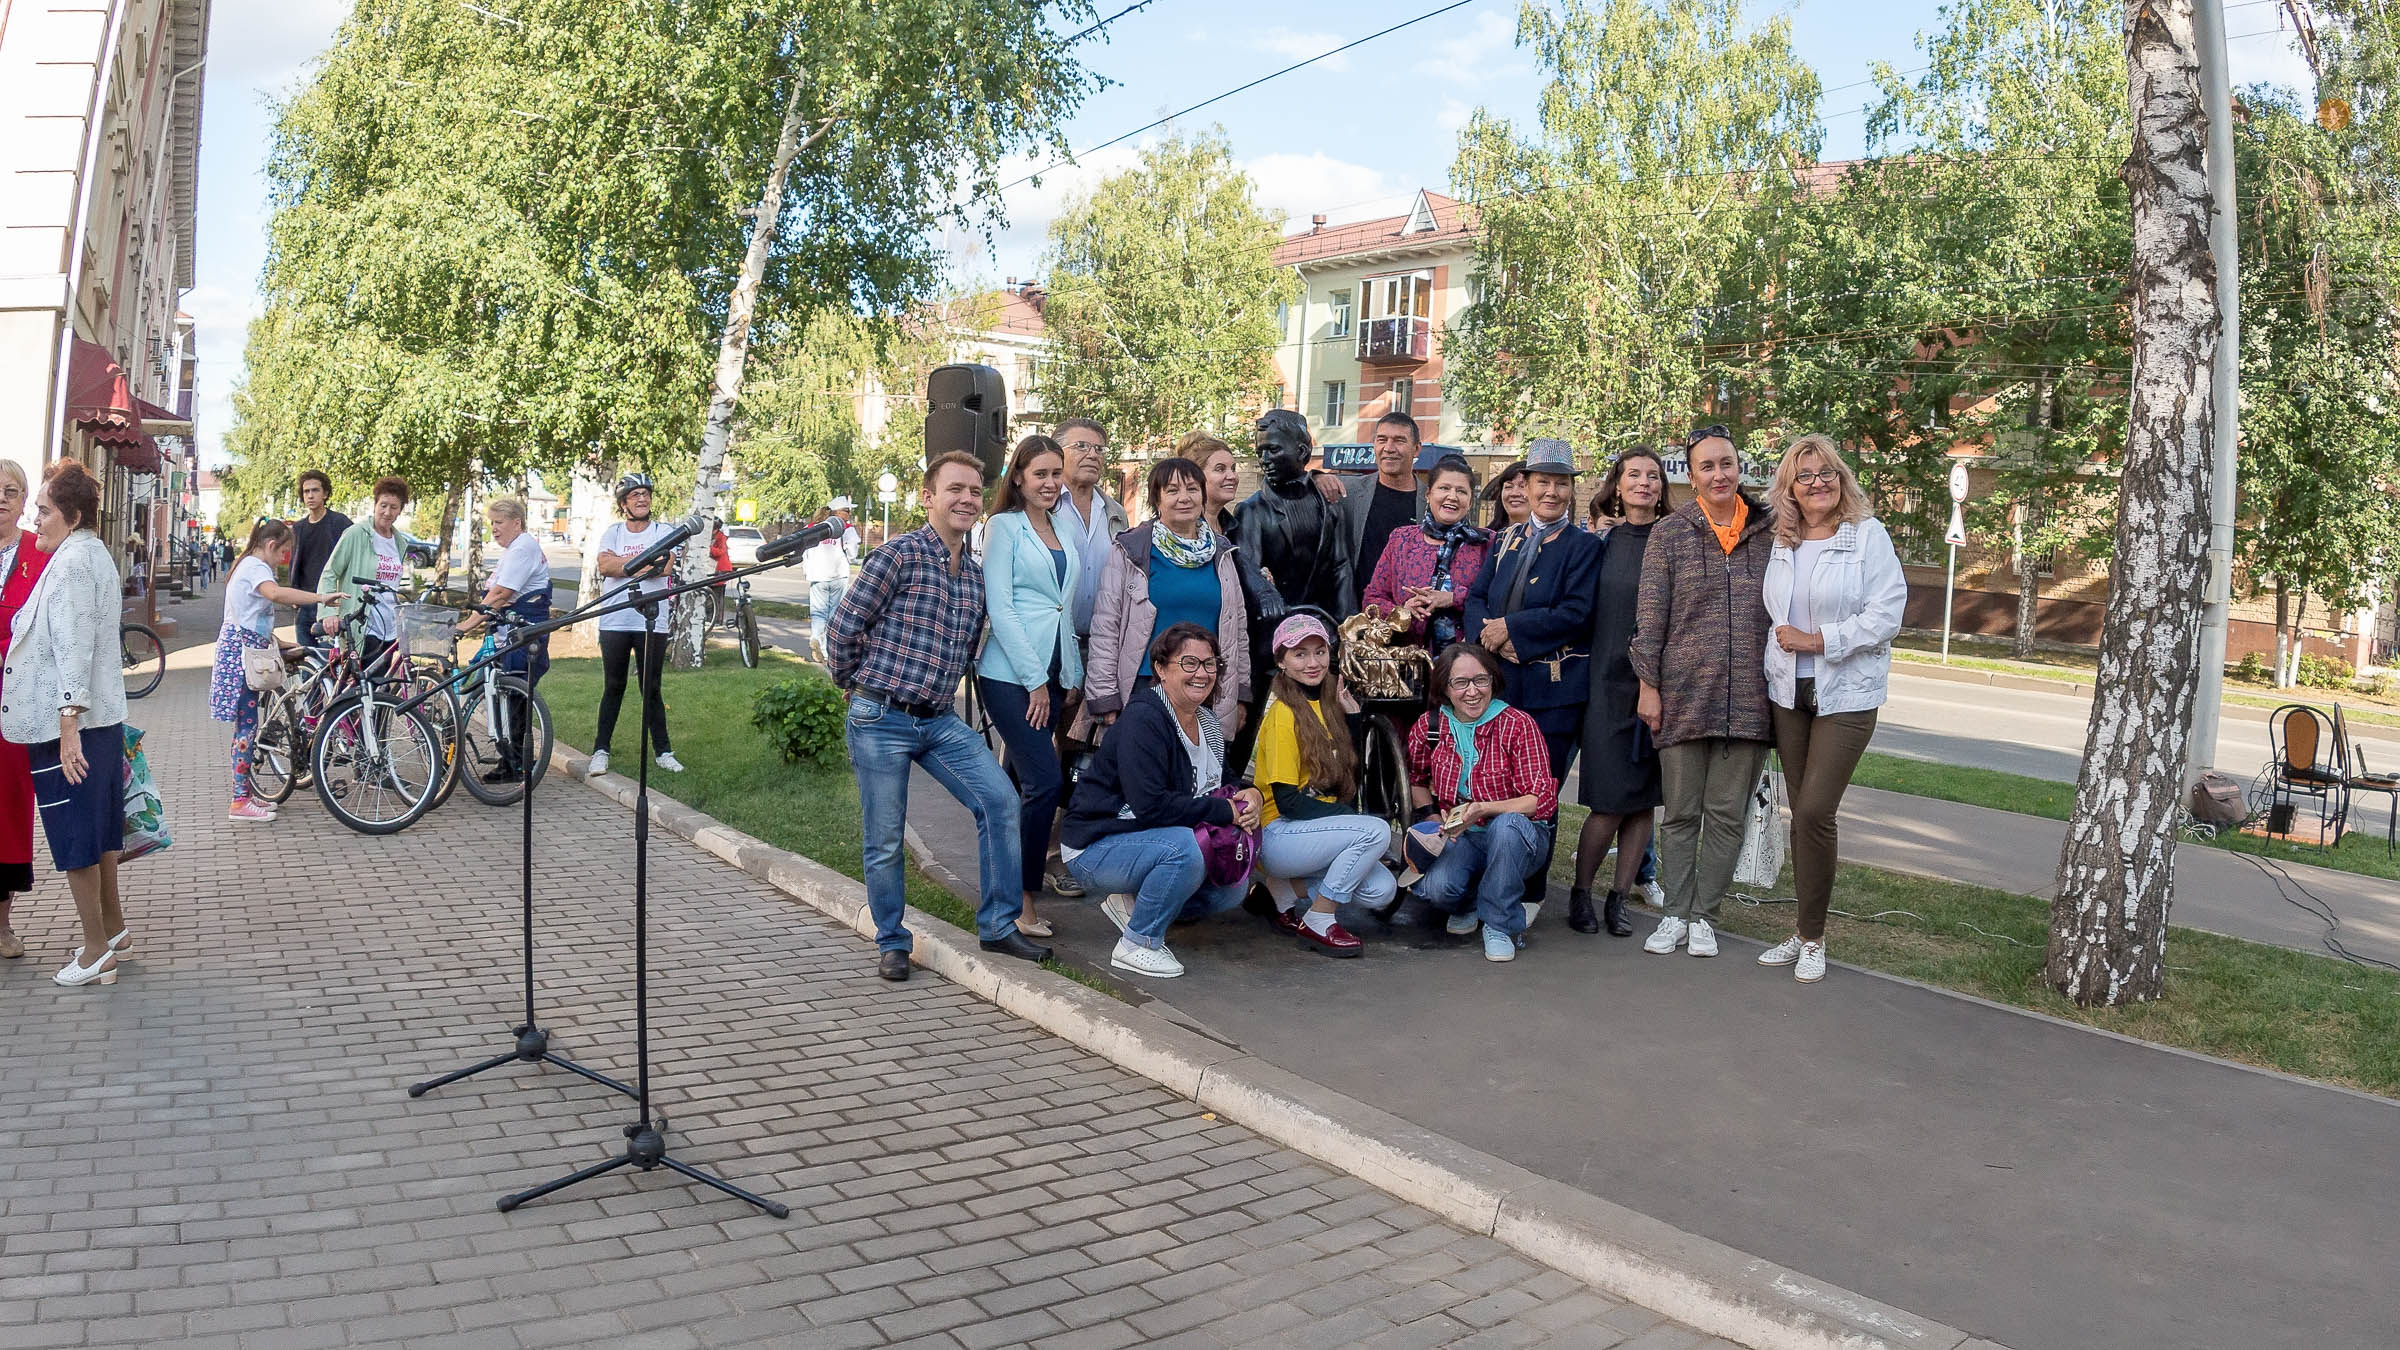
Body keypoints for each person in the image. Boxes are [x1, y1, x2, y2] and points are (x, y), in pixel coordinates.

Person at [830, 452, 1050, 980]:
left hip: (938, 720)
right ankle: (892, 941)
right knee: (884, 835)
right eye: (954, 489)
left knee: (1000, 801)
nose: (966, 500)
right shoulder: (897, 556)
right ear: (928, 497)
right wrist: (854, 688)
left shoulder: (973, 578)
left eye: (975, 491)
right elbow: (843, 629)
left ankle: (999, 926)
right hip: (880, 717)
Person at [1758, 434, 1907, 984]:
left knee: (1817, 811)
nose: (1817, 483)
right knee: (1800, 818)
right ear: (1789, 488)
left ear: (1841, 479)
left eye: (1826, 474)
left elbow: (1887, 614)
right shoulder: (1781, 541)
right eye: (1805, 476)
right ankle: (1801, 929)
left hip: (1846, 694)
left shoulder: (1867, 536)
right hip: (1788, 694)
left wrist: (1820, 640)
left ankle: (1815, 937)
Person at [1633, 425, 1775, 958]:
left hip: (1751, 701)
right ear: (1690, 477)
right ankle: (1674, 914)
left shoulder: (1769, 531)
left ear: (1739, 468)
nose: (1719, 474)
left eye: (1727, 464)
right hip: (1684, 695)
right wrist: (1649, 686)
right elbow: (1650, 619)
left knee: (1726, 814)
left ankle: (1704, 917)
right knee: (1682, 812)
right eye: (1707, 466)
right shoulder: (1670, 534)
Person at [1060, 623, 1264, 978]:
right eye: (1189, 663)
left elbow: (1223, 780)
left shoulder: (1207, 721)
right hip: (1095, 847)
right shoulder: (1145, 719)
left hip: (1150, 840)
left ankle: (1134, 906)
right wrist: (1224, 812)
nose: (1202, 673)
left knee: (1232, 887)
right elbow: (1151, 806)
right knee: (1184, 849)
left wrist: (1252, 796)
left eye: (1210, 664)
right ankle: (1137, 943)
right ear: (1160, 668)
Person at [4, 463, 131, 988]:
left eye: (44, 509)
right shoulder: (87, 554)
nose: (36, 518)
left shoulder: (73, 564)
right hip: (95, 719)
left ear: (72, 516)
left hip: (70, 725)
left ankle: (97, 951)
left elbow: (74, 650)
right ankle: (113, 929)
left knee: (75, 835)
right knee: (98, 833)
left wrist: (68, 727)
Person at [1463, 438, 1600, 915]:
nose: (1551, 492)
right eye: (1543, 481)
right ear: (1526, 484)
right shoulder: (1505, 540)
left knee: (1539, 795)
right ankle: (1482, 886)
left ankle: (1532, 890)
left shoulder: (1584, 547)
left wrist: (1512, 631)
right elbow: (1477, 598)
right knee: (1489, 788)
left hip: (1552, 694)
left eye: (1561, 483)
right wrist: (1487, 637)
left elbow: (1578, 612)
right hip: (1499, 690)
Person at [978, 435, 1083, 941]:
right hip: (1010, 677)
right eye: (1039, 474)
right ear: (1017, 476)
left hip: (1057, 675)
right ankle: (1021, 902)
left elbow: (1062, 608)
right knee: (1044, 783)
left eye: (1056, 473)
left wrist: (1071, 675)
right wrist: (1036, 682)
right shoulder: (1003, 527)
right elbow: (1000, 607)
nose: (1050, 483)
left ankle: (1001, 892)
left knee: (1023, 785)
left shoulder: (1062, 525)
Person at [1571, 448, 1675, 937]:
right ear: (1617, 484)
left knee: (1642, 802)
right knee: (1608, 802)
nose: (1644, 483)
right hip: (1605, 687)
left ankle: (1618, 898)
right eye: (1634, 474)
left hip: (1658, 688)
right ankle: (1581, 893)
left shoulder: (1675, 539)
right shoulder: (1600, 543)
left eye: (1653, 476)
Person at [1405, 642, 1559, 963]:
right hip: (1462, 836)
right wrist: (1434, 819)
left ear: (1494, 681)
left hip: (1519, 835)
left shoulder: (1517, 724)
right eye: (1460, 682)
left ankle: (1500, 924)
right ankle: (1472, 902)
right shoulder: (1431, 727)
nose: (1472, 691)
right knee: (1438, 890)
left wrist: (1483, 808)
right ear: (1445, 688)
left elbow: (1538, 801)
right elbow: (1416, 781)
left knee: (1507, 826)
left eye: (1481, 680)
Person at [1250, 615, 1388, 956]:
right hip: (1278, 833)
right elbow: (1288, 802)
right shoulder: (1283, 714)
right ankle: (1319, 919)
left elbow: (1349, 784)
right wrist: (1348, 819)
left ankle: (1283, 891)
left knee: (1381, 890)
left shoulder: (1329, 705)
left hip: (1314, 832)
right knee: (1375, 831)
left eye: (1319, 651)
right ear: (1281, 661)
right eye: (1300, 654)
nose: (1313, 663)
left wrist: (1352, 719)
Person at [1082, 458, 1250, 736]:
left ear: (1203, 496)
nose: (1184, 498)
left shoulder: (1222, 553)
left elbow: (1237, 629)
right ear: (1157, 499)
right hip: (1147, 685)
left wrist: (1240, 691)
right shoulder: (1131, 549)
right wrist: (1103, 695)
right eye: (1172, 490)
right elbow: (1106, 626)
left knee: (1198, 773)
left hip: (1206, 687)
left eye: (1192, 489)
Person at [213, 521, 345, 821]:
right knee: (246, 728)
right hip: (243, 657)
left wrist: (278, 643)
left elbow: (249, 618)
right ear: (271, 545)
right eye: (283, 552)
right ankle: (239, 800)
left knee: (245, 727)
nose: (283, 559)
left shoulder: (244, 565)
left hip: (242, 651)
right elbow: (275, 595)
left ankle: (244, 795)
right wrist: (319, 598)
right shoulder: (256, 568)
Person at [587, 472, 682, 777]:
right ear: (623, 503)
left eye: (646, 493)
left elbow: (663, 567)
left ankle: (663, 752)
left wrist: (625, 566)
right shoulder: (613, 532)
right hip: (615, 619)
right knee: (613, 685)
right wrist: (644, 563)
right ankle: (600, 751)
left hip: (652, 621)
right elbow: (605, 565)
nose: (642, 499)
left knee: (650, 687)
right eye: (634, 495)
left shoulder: (663, 530)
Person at [1360, 454, 1489, 649]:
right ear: (1428, 495)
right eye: (1444, 488)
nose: (1452, 496)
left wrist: (1453, 598)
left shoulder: (1487, 542)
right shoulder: (1401, 539)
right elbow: (1372, 599)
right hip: (1407, 659)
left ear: (1470, 501)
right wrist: (1403, 611)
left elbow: (1499, 600)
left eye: (1461, 491)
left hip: (1468, 660)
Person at [0, 462, 46, 960]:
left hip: (15, 697)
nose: (2, 499)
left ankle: (3, 922)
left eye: (11, 492)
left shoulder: (39, 551)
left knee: (8, 808)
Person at [1335, 411, 1427, 612]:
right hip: (1354, 617)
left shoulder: (1430, 503)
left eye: (1399, 441)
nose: (1389, 448)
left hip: (1410, 620)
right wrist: (1317, 477)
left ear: (1417, 449)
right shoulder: (1347, 491)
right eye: (1382, 440)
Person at [321, 476, 416, 667]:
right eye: (383, 505)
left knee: (380, 690)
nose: (387, 512)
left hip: (389, 627)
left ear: (400, 510)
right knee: (358, 690)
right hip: (363, 624)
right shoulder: (356, 534)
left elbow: (392, 586)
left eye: (394, 507)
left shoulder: (399, 542)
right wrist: (328, 612)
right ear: (375, 505)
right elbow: (330, 573)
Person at [1055, 418, 1127, 644]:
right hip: (1051, 643)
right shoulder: (1045, 507)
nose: (1093, 455)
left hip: (1103, 645)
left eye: (1099, 449)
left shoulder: (1115, 513)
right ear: (1058, 454)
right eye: (1081, 446)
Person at [288, 469, 352, 649]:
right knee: (306, 661)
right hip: (306, 602)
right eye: (306, 491)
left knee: (332, 664)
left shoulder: (340, 523)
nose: (310, 495)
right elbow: (295, 564)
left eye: (315, 490)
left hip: (332, 604)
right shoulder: (299, 528)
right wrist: (295, 595)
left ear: (325, 494)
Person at [802, 496, 861, 661]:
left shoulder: (812, 527)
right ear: (837, 512)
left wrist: (808, 569)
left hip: (817, 575)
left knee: (818, 611)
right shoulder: (847, 529)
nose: (849, 514)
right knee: (835, 613)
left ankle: (816, 638)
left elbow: (804, 550)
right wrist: (850, 559)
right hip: (838, 574)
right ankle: (826, 649)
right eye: (847, 511)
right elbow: (852, 549)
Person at [1481, 460, 1532, 532]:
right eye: (1508, 487)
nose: (1514, 493)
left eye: (1522, 486)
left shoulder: (1548, 539)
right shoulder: (1486, 539)